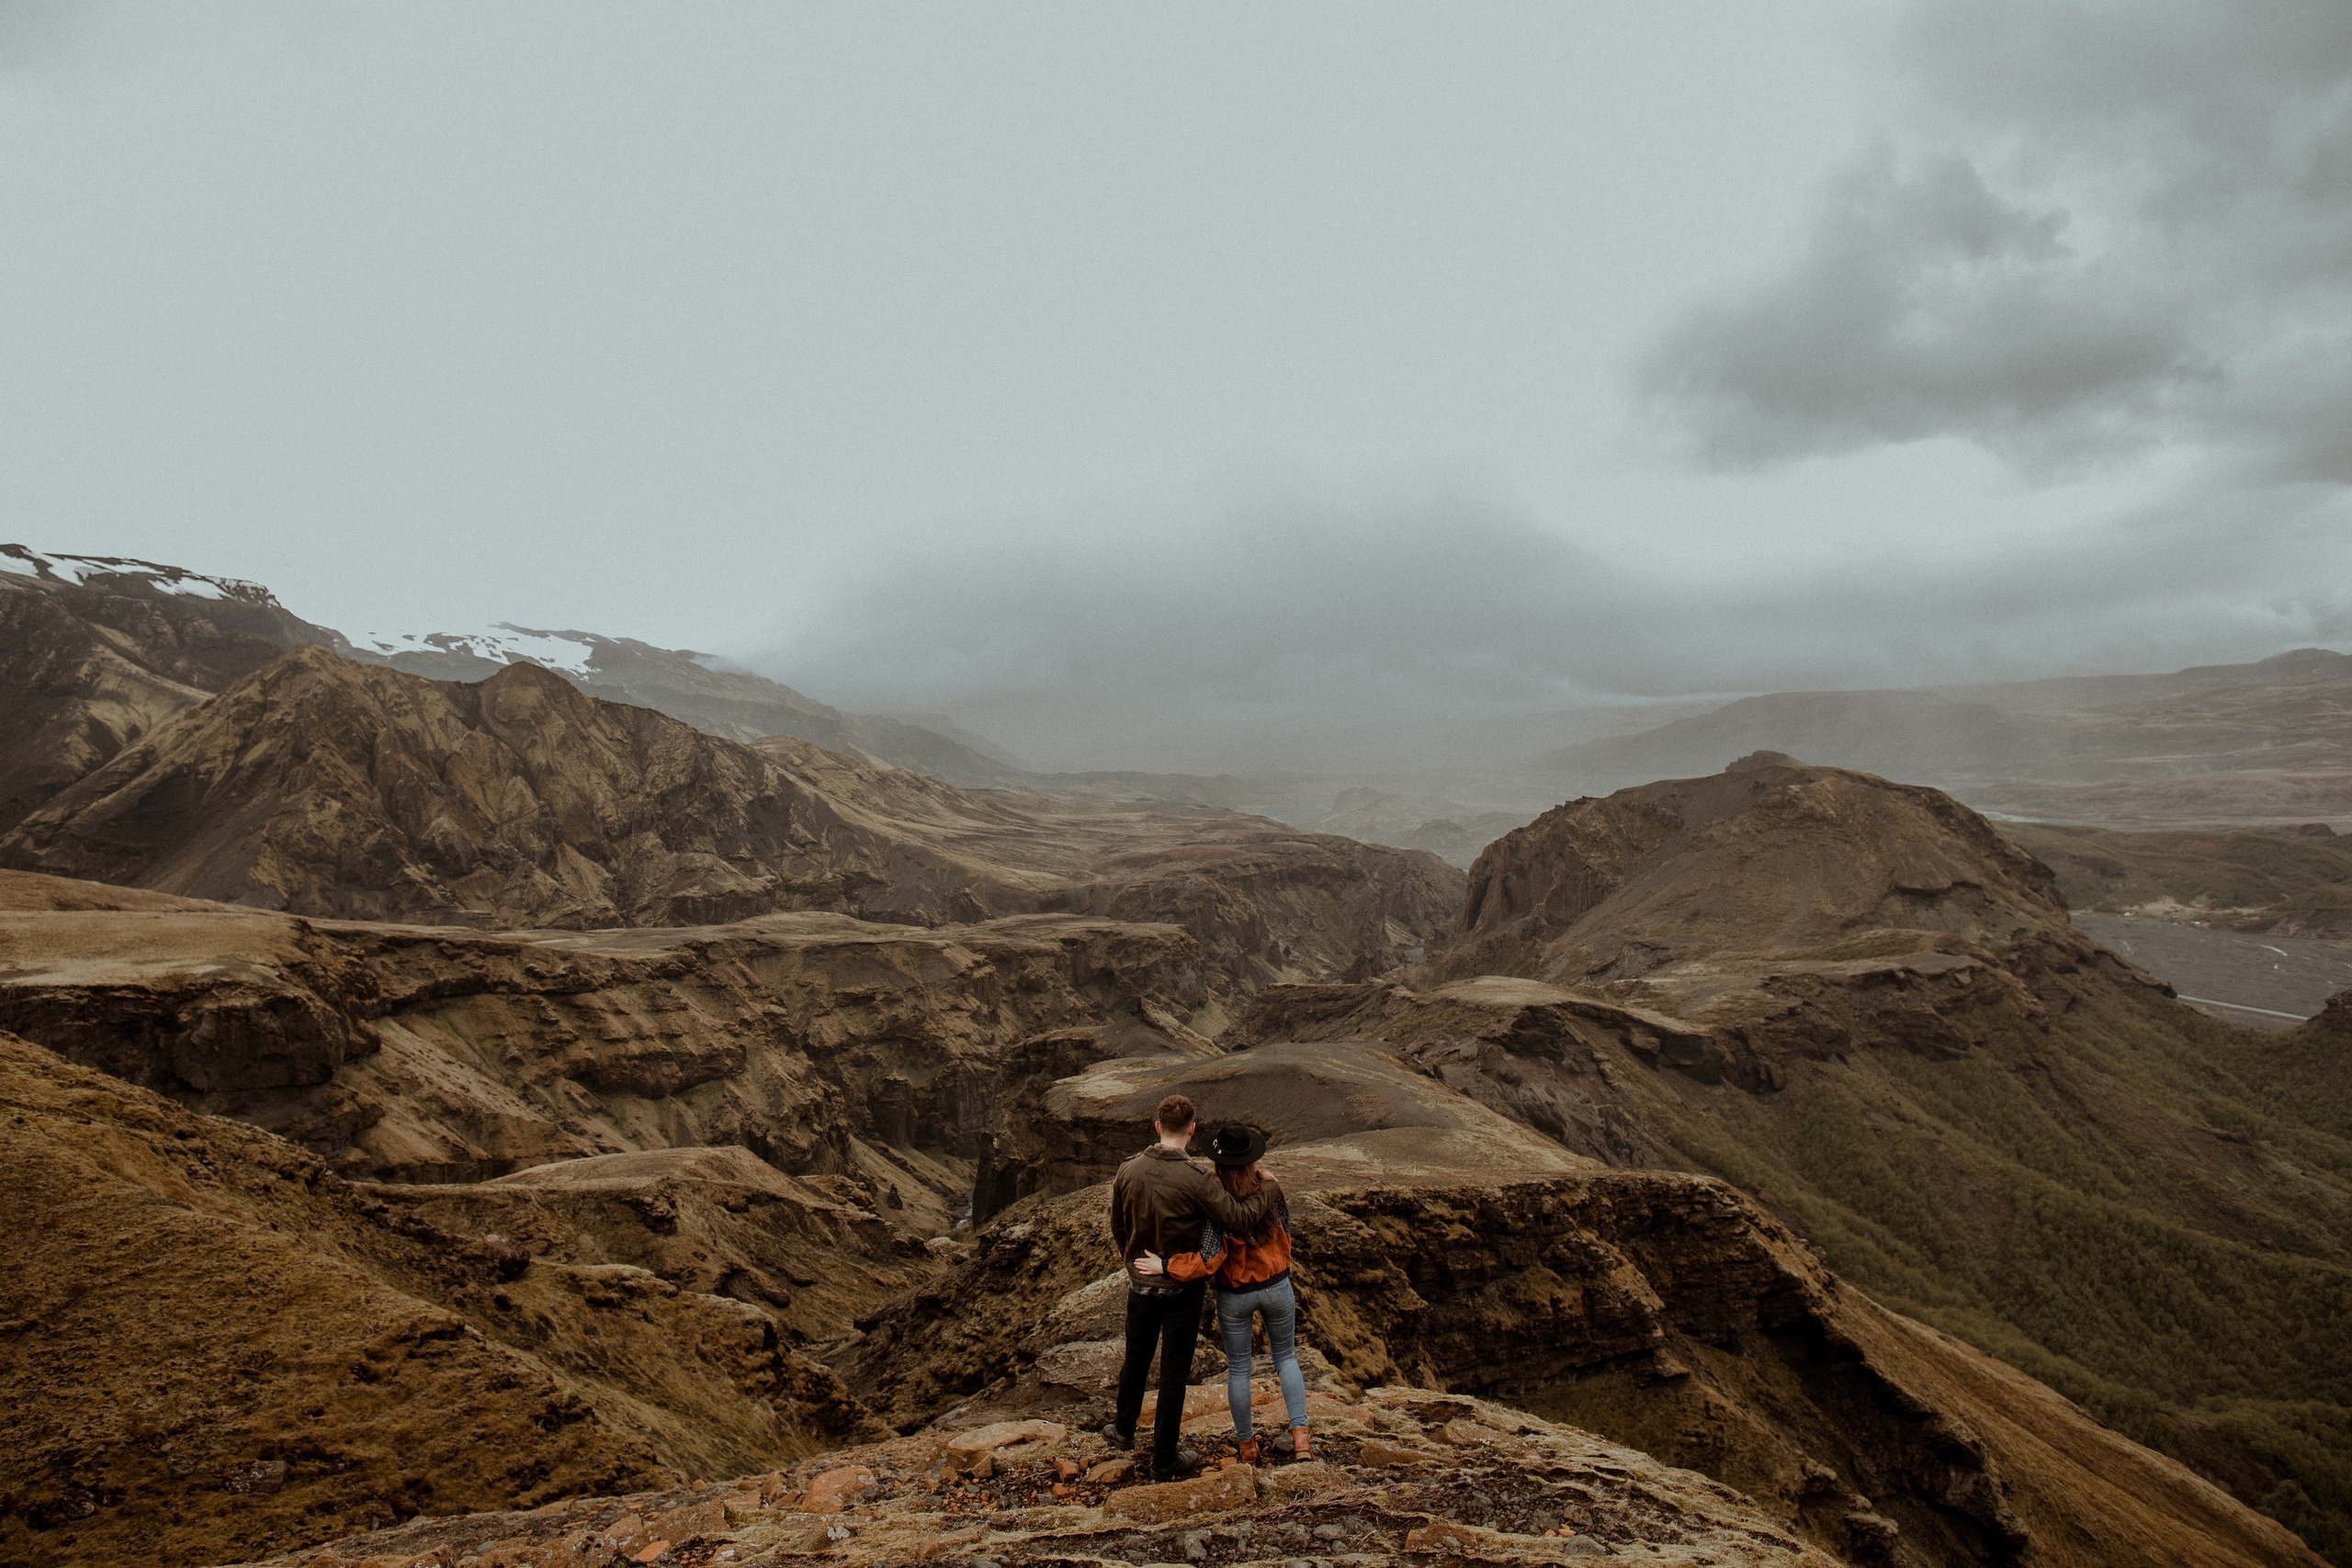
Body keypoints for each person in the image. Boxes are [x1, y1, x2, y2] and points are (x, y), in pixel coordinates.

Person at [1105, 1094, 1281, 1482]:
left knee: (1135, 1359)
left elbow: (1119, 1226)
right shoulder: (1197, 1179)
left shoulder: (1127, 1170)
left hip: (1141, 1283)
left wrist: (1133, 1263)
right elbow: (1237, 1220)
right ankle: (1163, 1459)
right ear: (1191, 1130)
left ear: (1157, 1127)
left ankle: (1123, 1430)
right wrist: (1268, 1190)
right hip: (1182, 1289)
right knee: (1172, 1373)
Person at [1138, 1120, 1310, 1465]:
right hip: (1277, 1286)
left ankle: (1247, 1449)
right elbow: (1287, 1232)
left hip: (1235, 1297)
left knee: (1239, 1370)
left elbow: (1208, 1258)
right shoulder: (1271, 1189)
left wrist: (1167, 1266)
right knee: (1286, 1359)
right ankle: (1301, 1442)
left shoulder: (1216, 1202)